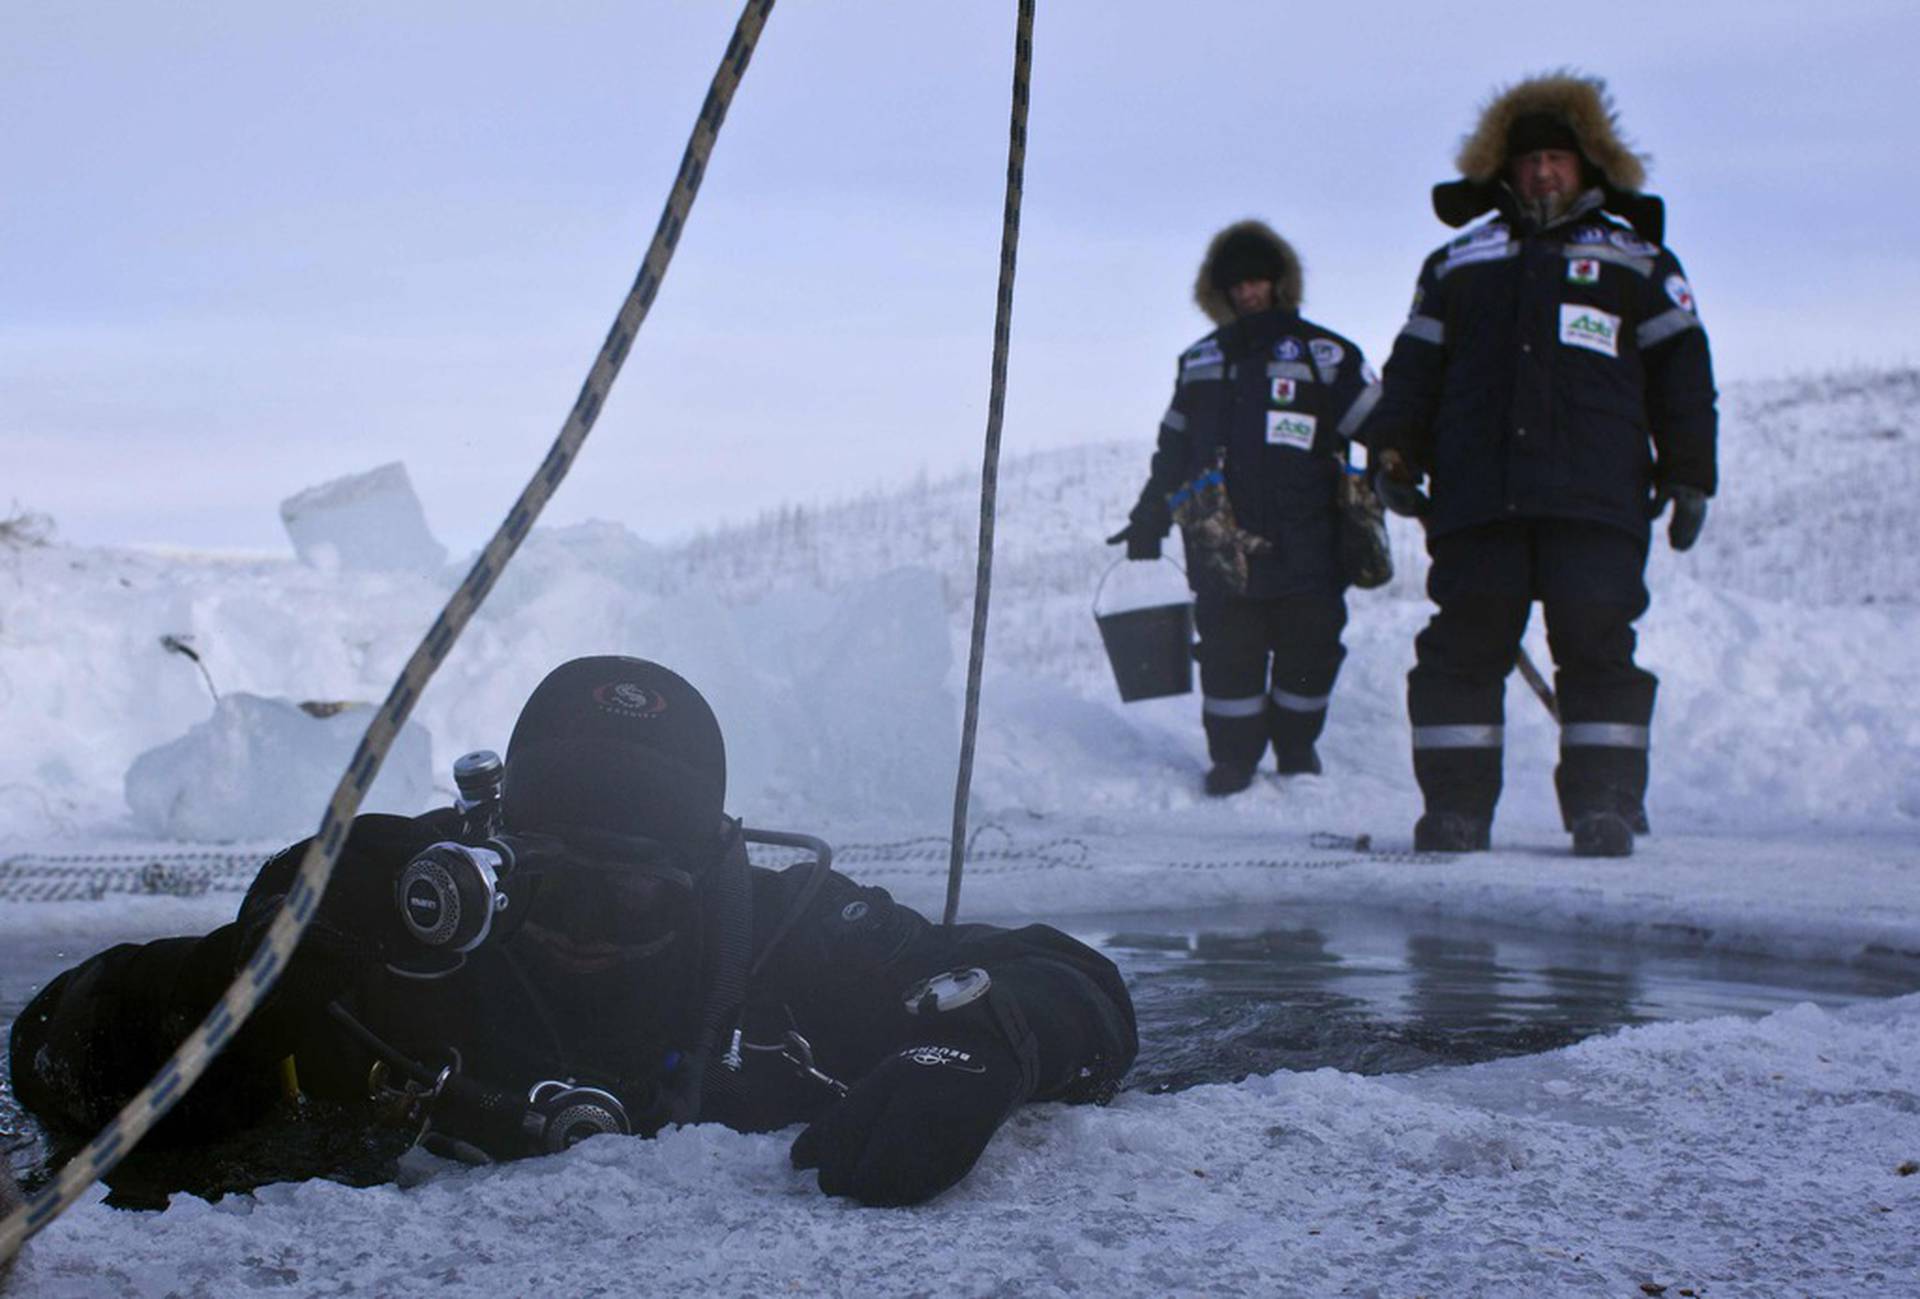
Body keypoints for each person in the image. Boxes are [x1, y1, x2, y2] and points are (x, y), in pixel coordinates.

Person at [7, 656, 1137, 1209]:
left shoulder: (778, 931)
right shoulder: (401, 914)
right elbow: (51, 1051)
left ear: (704, 875)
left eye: (636, 896)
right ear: (489, 853)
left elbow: (1071, 984)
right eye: (551, 889)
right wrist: (255, 977)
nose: (588, 929)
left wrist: (985, 1044)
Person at [1358, 72, 1718, 857]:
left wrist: (1690, 472)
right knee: (1460, 651)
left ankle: (1605, 808)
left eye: (1558, 158)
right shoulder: (1458, 262)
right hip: (1477, 497)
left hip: (1596, 497)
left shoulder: (1639, 259)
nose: (1543, 173)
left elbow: (1684, 376)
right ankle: (1454, 812)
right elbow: (1413, 369)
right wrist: (1392, 449)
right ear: (1504, 171)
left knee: (1597, 648)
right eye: (1529, 162)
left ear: (1590, 166)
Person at [1108, 220, 1379, 797]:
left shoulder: (1326, 355)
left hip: (1312, 542)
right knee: (1230, 659)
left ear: (1280, 284)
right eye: (1238, 285)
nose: (1249, 293)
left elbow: (1383, 428)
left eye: (1259, 282)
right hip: (1220, 548)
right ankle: (1232, 760)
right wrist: (1148, 516)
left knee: (1311, 650)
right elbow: (1173, 451)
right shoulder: (1200, 362)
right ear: (1221, 292)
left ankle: (1297, 748)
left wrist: (1405, 475)